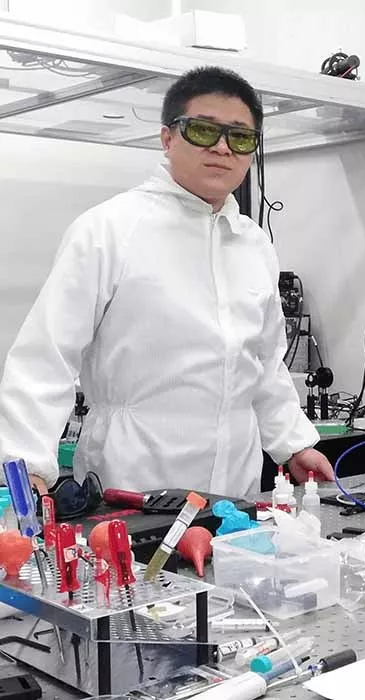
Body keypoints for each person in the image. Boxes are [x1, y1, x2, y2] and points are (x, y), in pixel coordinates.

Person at [0, 66, 334, 497]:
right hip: (131, 482)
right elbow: (46, 357)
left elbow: (264, 362)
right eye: (203, 130)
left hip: (236, 486)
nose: (222, 147)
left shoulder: (253, 244)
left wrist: (293, 444)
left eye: (240, 137)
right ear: (167, 138)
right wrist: (27, 468)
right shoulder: (109, 229)